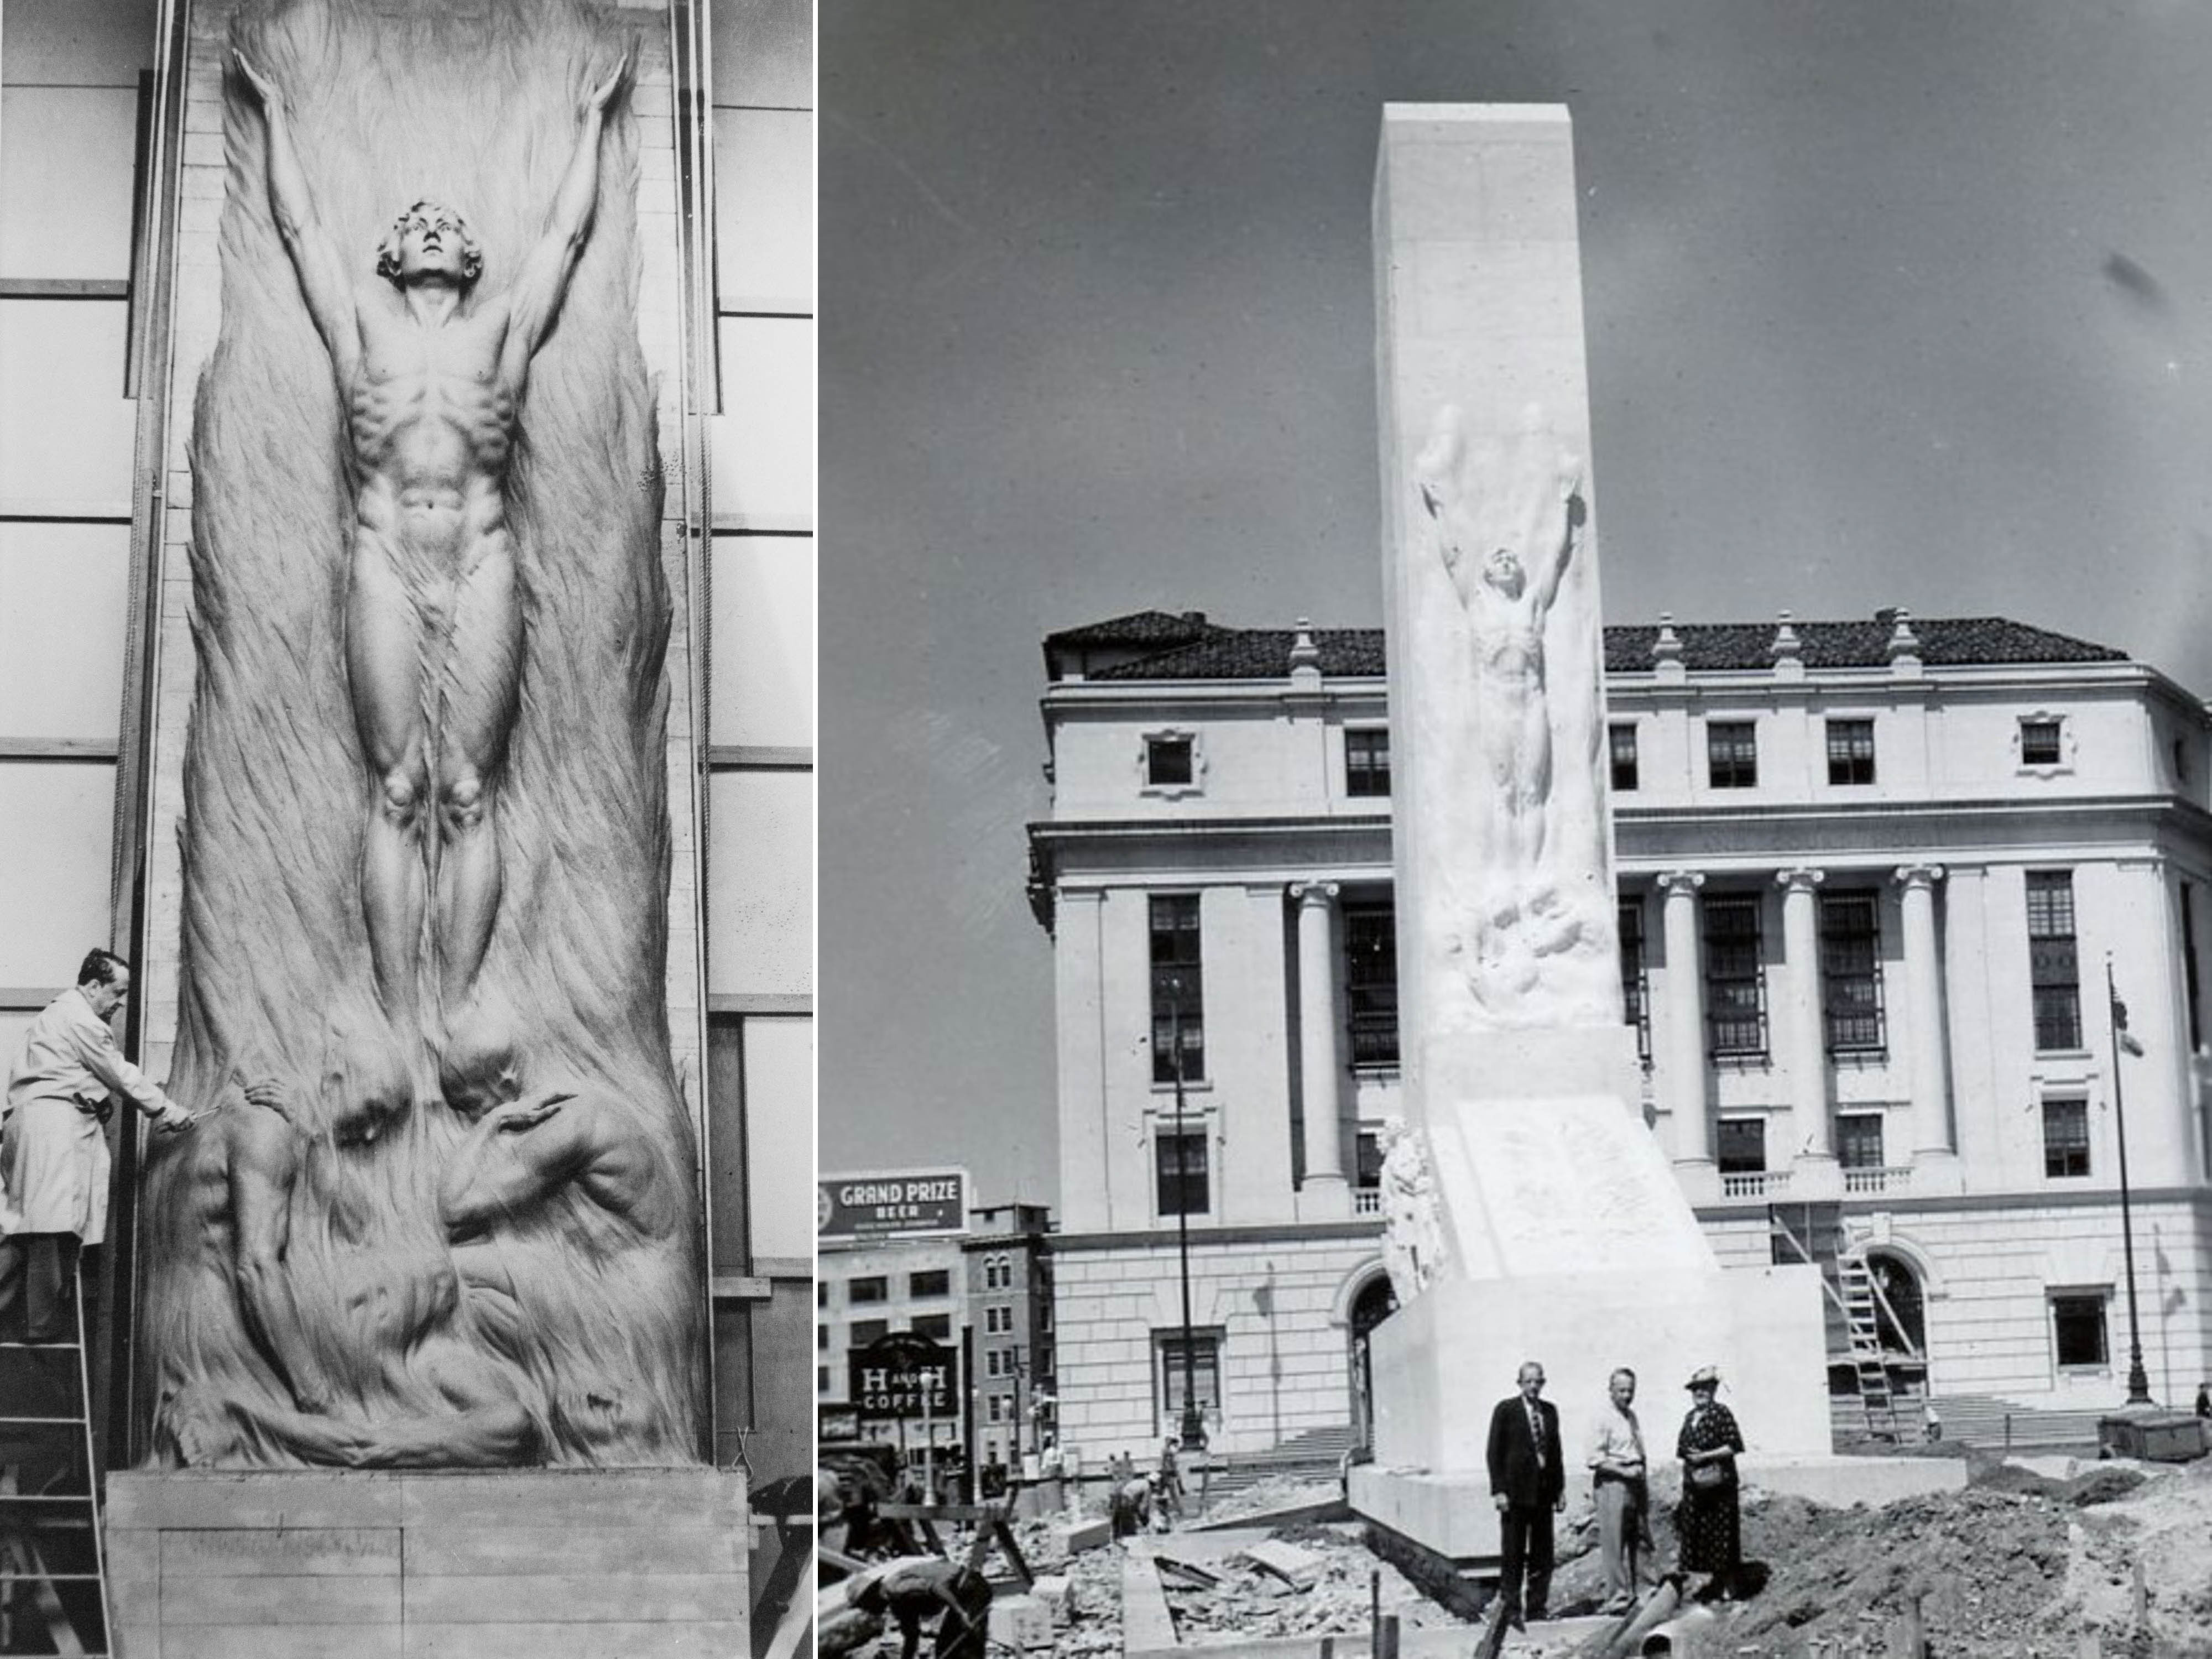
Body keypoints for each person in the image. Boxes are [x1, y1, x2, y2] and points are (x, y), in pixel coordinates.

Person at [231, 41, 631, 1024]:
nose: (436, 229)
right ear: (394, 256)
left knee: (466, 791)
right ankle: (401, 1014)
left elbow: (564, 241)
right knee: (398, 789)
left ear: (469, 257)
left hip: (484, 555)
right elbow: (299, 225)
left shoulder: (503, 332)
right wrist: (277, 112)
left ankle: (452, 1016)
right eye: (418, 224)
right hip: (383, 556)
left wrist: (591, 122)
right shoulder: (358, 328)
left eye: (449, 225)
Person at [2, 951, 196, 1339]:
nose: (120, 1003)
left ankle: (28, 1313)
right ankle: (41, 1324)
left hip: (28, 1127)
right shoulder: (81, 1019)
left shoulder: (54, 1016)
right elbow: (120, 1074)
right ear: (93, 987)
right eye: (117, 992)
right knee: (52, 1226)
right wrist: (167, 1109)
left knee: (22, 1225)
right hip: (51, 1129)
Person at [1486, 1359, 1565, 1629]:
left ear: (1544, 1383)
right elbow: (1493, 1453)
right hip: (1515, 1495)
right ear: (1519, 1383)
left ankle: (1537, 1608)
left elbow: (1556, 1453)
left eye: (1538, 1381)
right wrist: (1498, 1490)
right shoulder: (1506, 1410)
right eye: (1528, 1381)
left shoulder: (1550, 1411)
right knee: (1513, 1553)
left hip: (1543, 1493)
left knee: (1543, 1554)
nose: (1534, 1386)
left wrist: (1560, 1489)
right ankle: (1511, 1611)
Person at [1585, 1366, 1655, 1614]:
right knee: (1614, 1540)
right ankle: (1618, 1596)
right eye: (1622, 1390)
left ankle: (1647, 1591)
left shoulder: (1632, 1417)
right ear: (1611, 1391)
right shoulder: (1603, 1418)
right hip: (1613, 1483)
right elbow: (1594, 1458)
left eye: (1630, 1391)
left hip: (1636, 1482)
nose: (1627, 1395)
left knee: (1641, 1538)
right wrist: (1625, 1472)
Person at [1674, 1365, 1746, 1600]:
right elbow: (1682, 1448)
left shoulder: (1721, 1413)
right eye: (1696, 1389)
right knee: (1701, 1535)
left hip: (1719, 1487)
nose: (1700, 1393)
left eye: (1704, 1388)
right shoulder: (1690, 1417)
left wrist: (1705, 1456)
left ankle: (1729, 1587)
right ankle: (1710, 1586)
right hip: (1696, 1488)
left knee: (1722, 1535)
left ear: (1713, 1390)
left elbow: (1733, 1446)